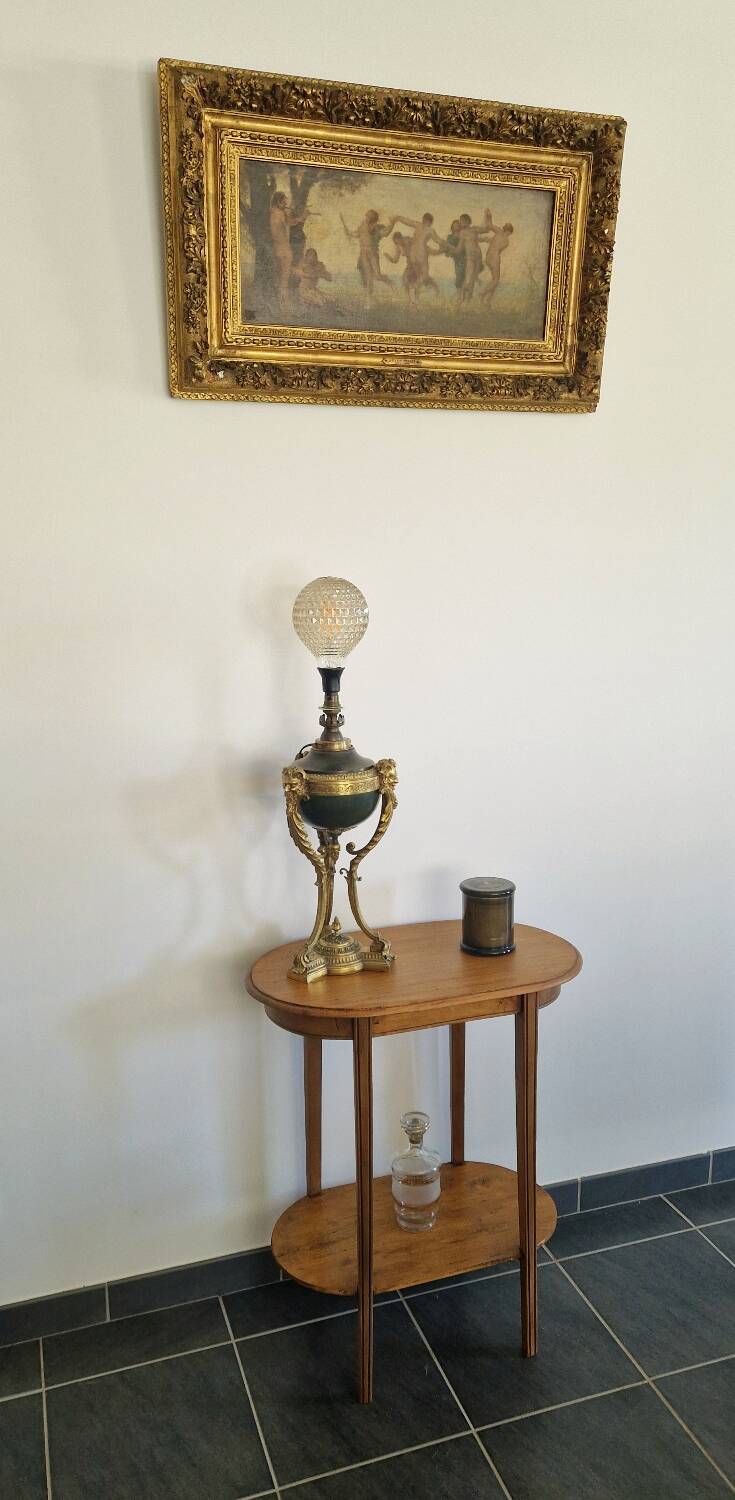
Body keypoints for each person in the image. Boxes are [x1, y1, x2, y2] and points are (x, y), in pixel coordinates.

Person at [340, 209, 396, 302]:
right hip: (363, 255)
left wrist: (392, 223)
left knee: (378, 276)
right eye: (366, 216)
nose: (366, 218)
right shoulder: (362, 227)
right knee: (369, 277)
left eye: (368, 217)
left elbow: (386, 232)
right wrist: (347, 231)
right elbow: (355, 234)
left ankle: (390, 283)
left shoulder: (376, 228)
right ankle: (369, 300)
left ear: (373, 220)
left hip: (372, 254)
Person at [270, 191, 310, 309]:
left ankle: (279, 302)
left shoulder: (271, 212)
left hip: (275, 248)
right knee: (284, 279)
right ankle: (284, 304)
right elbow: (293, 222)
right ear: (279, 202)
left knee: (278, 277)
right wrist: (304, 216)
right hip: (284, 249)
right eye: (284, 202)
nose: (285, 204)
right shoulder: (281, 213)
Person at [393, 212, 442, 294]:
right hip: (420, 254)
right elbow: (438, 240)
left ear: (424, 220)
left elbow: (408, 221)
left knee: (419, 276)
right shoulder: (429, 229)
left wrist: (399, 218)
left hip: (415, 255)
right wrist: (446, 247)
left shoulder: (420, 226)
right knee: (422, 276)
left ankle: (422, 289)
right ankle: (422, 289)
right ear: (429, 222)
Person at [295, 247, 343, 316]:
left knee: (333, 299)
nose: (312, 258)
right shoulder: (302, 264)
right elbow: (298, 272)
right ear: (306, 256)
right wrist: (310, 274)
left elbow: (329, 278)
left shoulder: (318, 265)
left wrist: (322, 273)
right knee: (320, 301)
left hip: (314, 290)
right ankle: (312, 312)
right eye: (310, 255)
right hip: (304, 291)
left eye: (314, 256)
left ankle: (336, 312)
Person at [481, 219, 514, 303]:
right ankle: (482, 293)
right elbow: (498, 250)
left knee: (494, 281)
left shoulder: (499, 232)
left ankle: (488, 300)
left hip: (488, 257)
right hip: (495, 258)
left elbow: (489, 224)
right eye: (509, 232)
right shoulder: (506, 241)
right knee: (496, 280)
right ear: (509, 232)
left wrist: (488, 215)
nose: (508, 234)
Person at [457, 213, 488, 303]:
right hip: (470, 258)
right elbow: (460, 248)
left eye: (462, 221)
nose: (460, 223)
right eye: (460, 221)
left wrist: (487, 217)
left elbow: (485, 229)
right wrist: (448, 247)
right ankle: (461, 299)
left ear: (467, 221)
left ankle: (467, 301)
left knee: (473, 279)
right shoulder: (462, 233)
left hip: (478, 257)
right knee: (468, 279)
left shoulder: (474, 229)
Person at [441, 218, 466, 302]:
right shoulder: (450, 237)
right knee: (459, 276)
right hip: (457, 259)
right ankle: (460, 296)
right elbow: (447, 250)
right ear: (452, 227)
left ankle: (461, 297)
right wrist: (448, 251)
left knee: (464, 277)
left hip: (465, 258)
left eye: (458, 225)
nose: (456, 227)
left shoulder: (463, 235)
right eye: (455, 225)